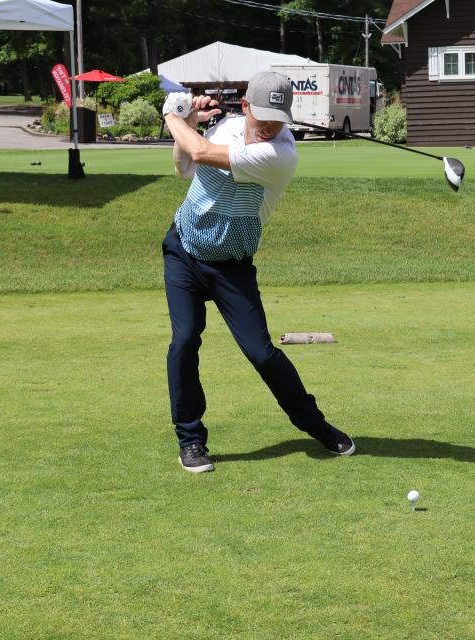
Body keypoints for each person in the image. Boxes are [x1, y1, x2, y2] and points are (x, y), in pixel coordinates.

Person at [161, 71, 354, 473]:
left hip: (232, 266)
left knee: (261, 353)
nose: (269, 126)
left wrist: (174, 116)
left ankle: (315, 425)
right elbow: (183, 166)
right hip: (183, 250)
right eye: (262, 115)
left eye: (277, 118)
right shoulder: (227, 126)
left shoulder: (280, 154)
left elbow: (199, 154)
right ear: (245, 106)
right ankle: (191, 440)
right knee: (184, 339)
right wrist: (192, 123)